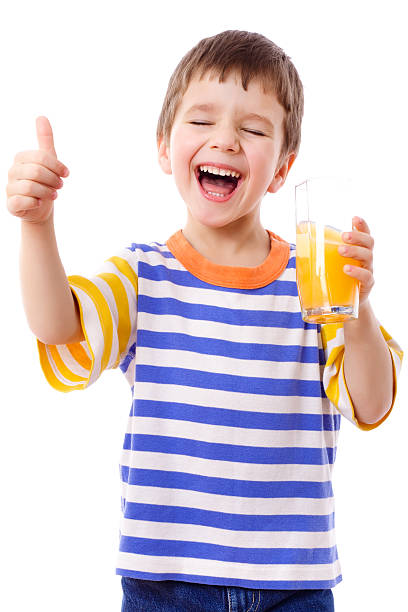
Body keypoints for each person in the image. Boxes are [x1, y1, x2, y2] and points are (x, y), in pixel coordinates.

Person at [6, 29, 403, 612]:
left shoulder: (318, 284)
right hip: (165, 583)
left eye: (254, 128)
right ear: (164, 147)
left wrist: (361, 301)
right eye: (202, 121)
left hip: (294, 586)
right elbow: (57, 327)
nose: (226, 140)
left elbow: (371, 402)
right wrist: (36, 225)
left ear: (281, 167)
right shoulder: (142, 275)